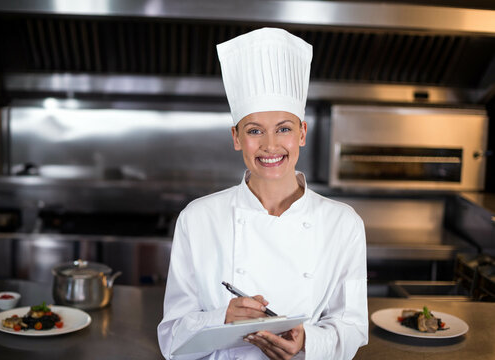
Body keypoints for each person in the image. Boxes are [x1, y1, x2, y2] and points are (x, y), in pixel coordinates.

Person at [157, 27, 368, 360]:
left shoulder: (343, 223)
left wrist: (308, 342)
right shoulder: (197, 219)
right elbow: (172, 339)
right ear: (236, 137)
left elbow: (352, 327)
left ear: (302, 132)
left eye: (284, 128)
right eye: (255, 131)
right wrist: (222, 318)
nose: (270, 145)